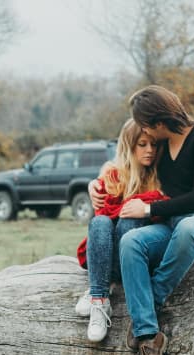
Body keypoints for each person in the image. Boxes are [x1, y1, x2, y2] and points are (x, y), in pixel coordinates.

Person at [89, 85, 194, 355]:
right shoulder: (162, 146)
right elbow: (125, 163)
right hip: (171, 226)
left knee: (188, 227)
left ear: (158, 121)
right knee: (131, 241)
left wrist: (148, 211)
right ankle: (149, 337)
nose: (144, 132)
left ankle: (148, 306)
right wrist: (96, 182)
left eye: (144, 124)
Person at [75, 118, 168, 342]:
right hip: (106, 255)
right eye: (142, 144)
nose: (150, 151)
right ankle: (99, 300)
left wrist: (141, 206)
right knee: (100, 222)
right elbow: (103, 214)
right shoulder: (113, 174)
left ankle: (99, 288)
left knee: (128, 220)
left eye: (154, 145)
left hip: (135, 260)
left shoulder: (160, 176)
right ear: (129, 145)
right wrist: (94, 185)